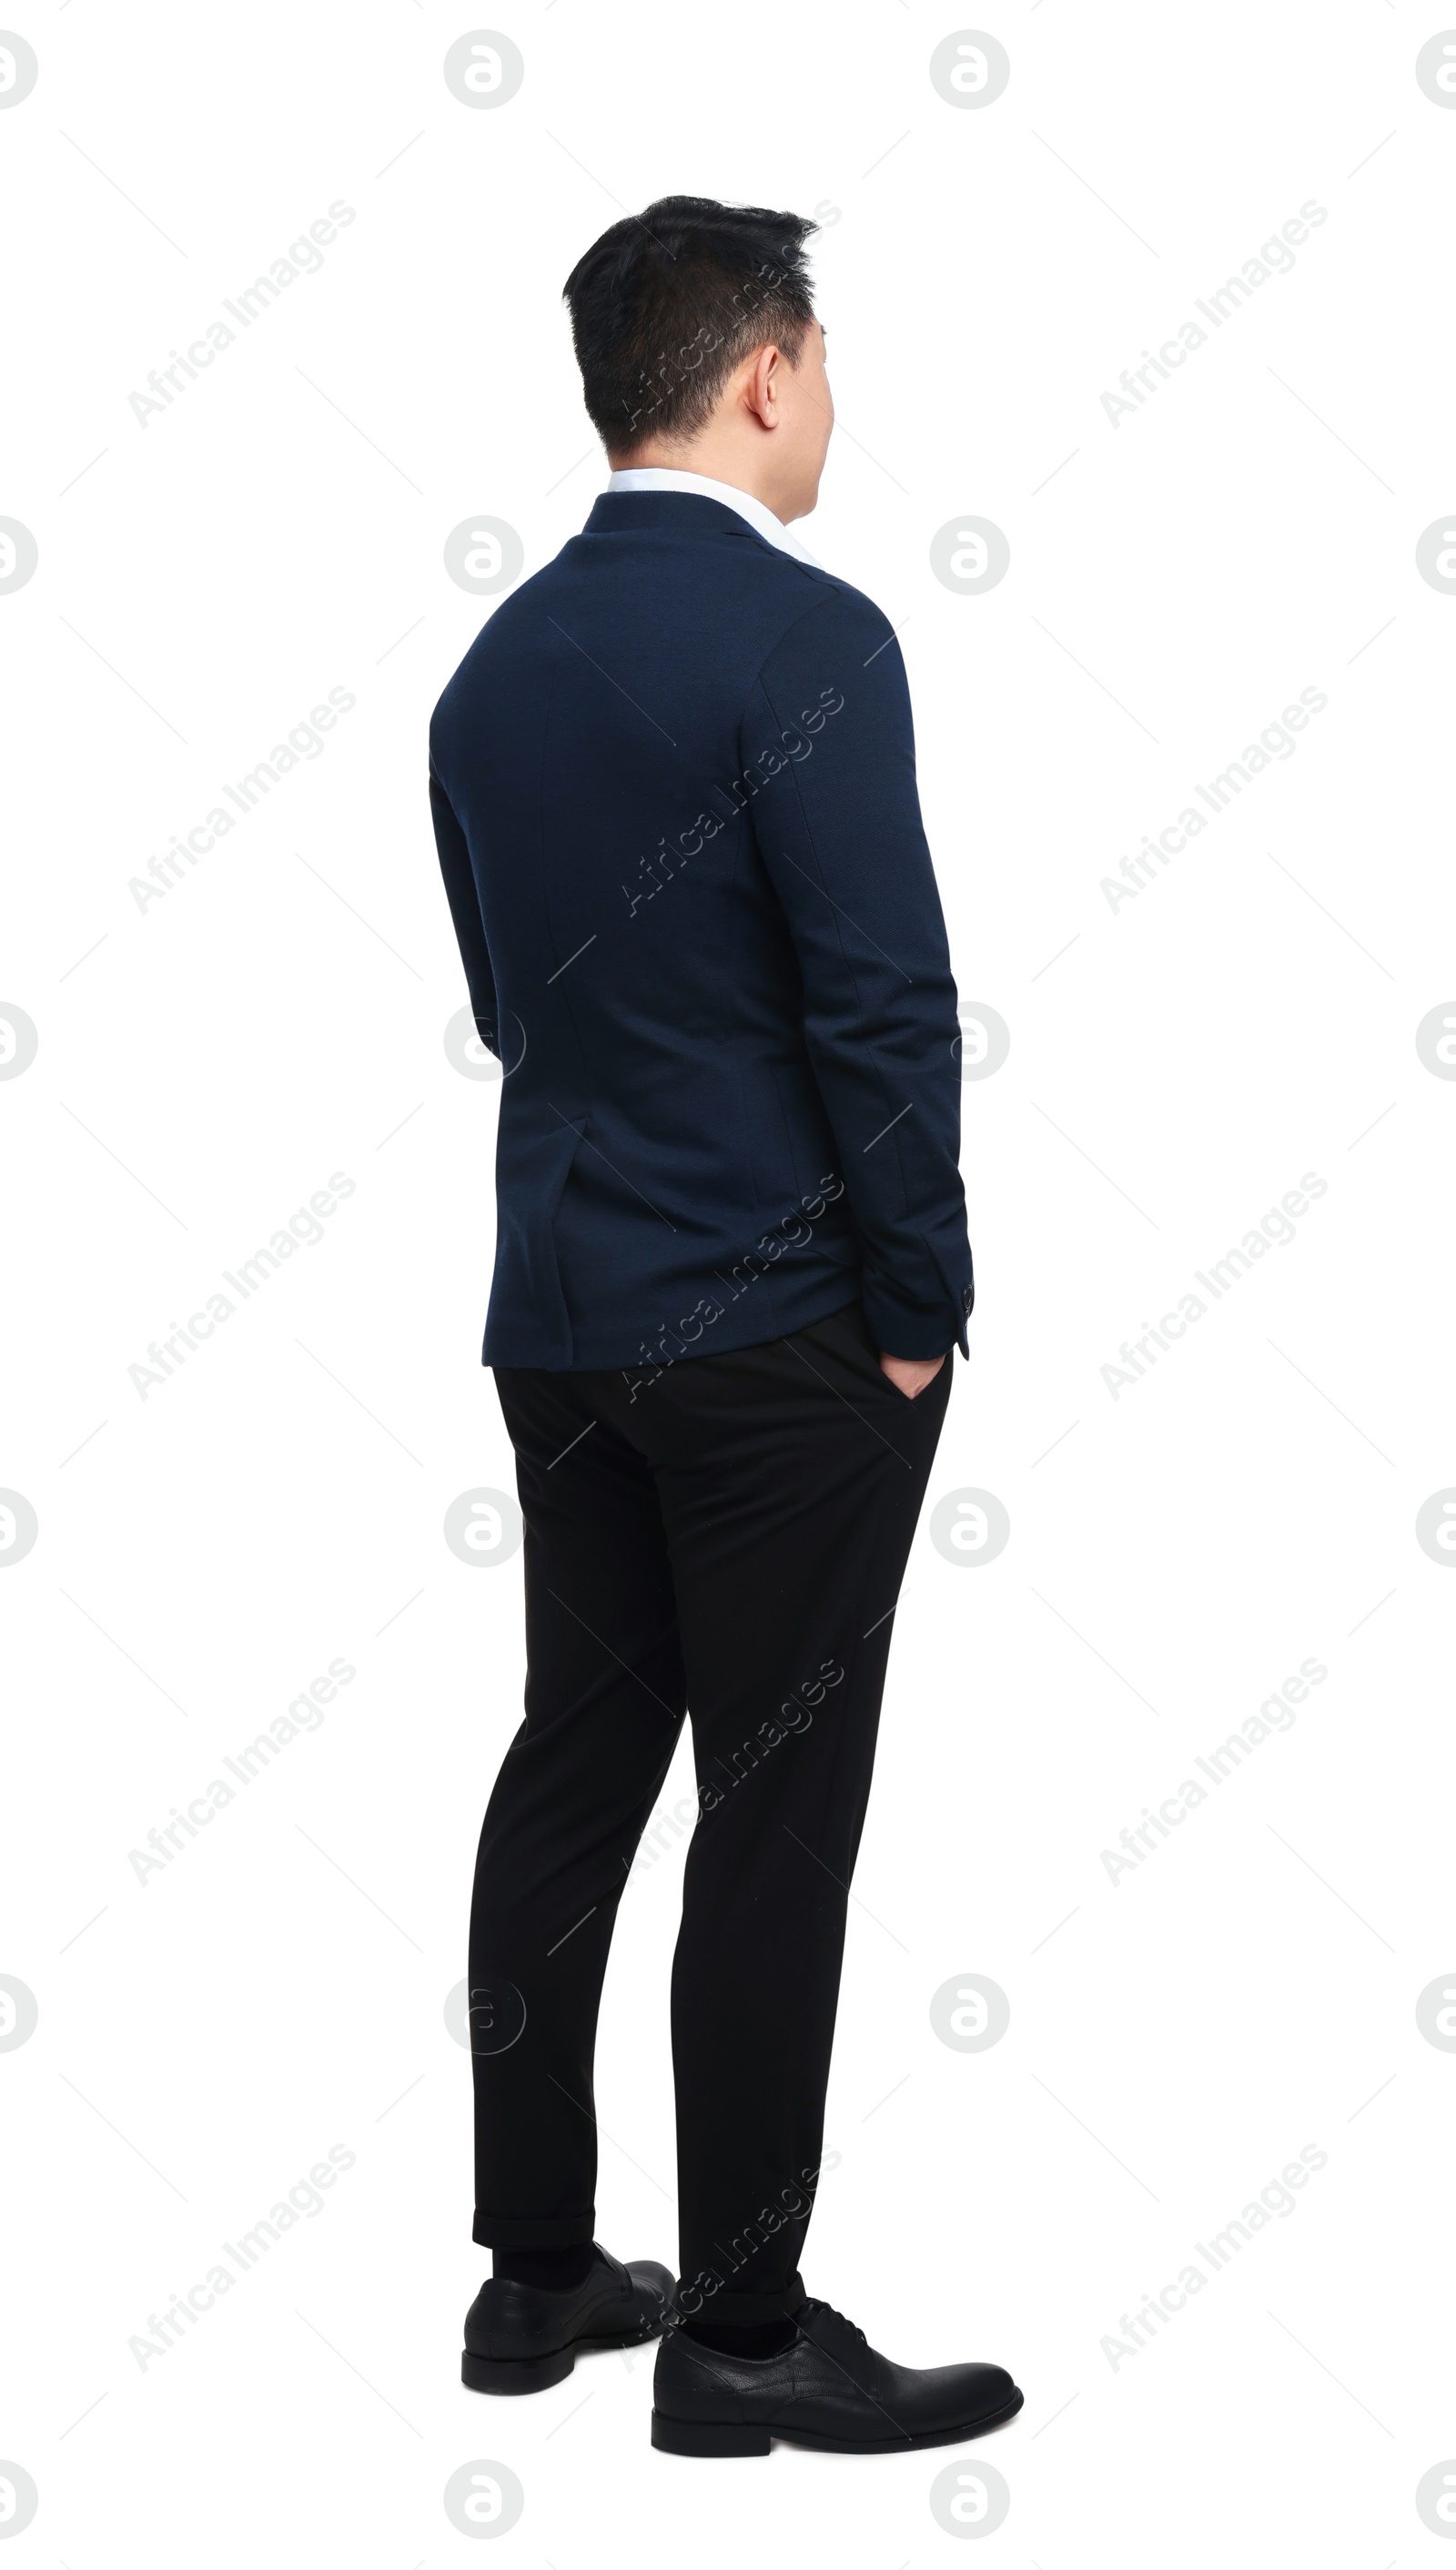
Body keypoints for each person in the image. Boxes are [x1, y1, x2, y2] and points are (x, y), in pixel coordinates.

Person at [429, 195, 1020, 2457]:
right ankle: (744, 2331)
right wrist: (918, 1305)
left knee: (571, 1766)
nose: (833, 406)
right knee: (771, 1815)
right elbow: (883, 1004)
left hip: (562, 1319)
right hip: (782, 1338)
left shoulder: (492, 673)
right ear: (762, 369)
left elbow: (511, 1007)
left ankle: (536, 2271)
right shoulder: (807, 639)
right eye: (824, 362)